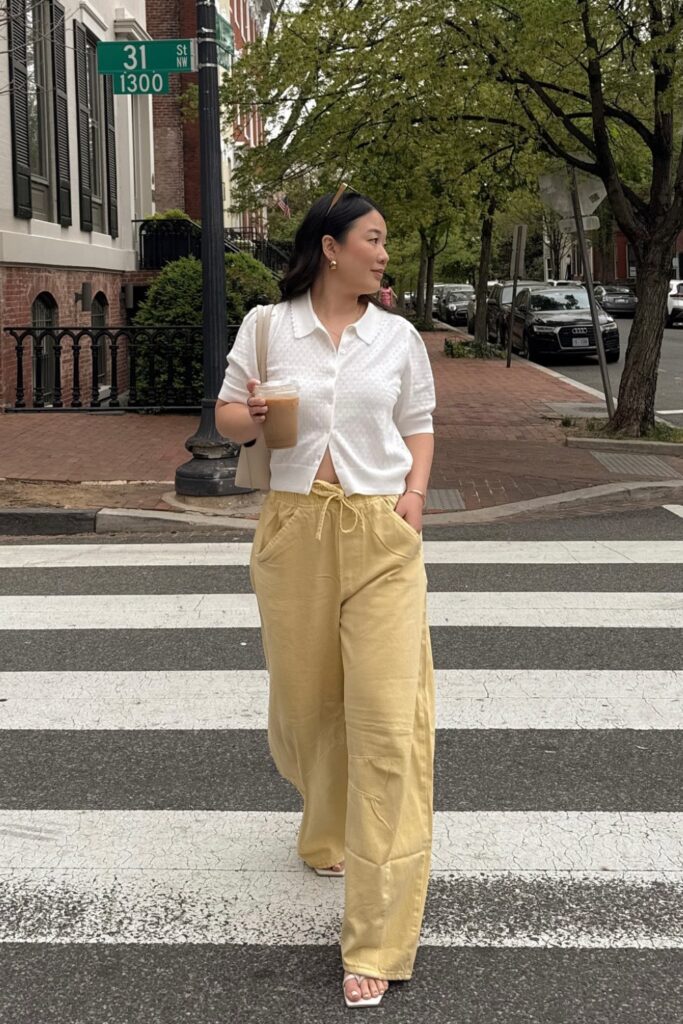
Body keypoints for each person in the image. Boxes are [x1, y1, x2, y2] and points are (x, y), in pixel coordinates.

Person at [215, 185, 436, 1009]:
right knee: (306, 712)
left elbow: (418, 419)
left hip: (379, 533)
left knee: (386, 728)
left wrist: (413, 496)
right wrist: (250, 416)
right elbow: (229, 414)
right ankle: (323, 827)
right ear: (331, 247)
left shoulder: (399, 336)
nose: (385, 253)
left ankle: (375, 940)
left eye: (386, 240)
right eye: (374, 239)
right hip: (294, 529)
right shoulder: (269, 328)